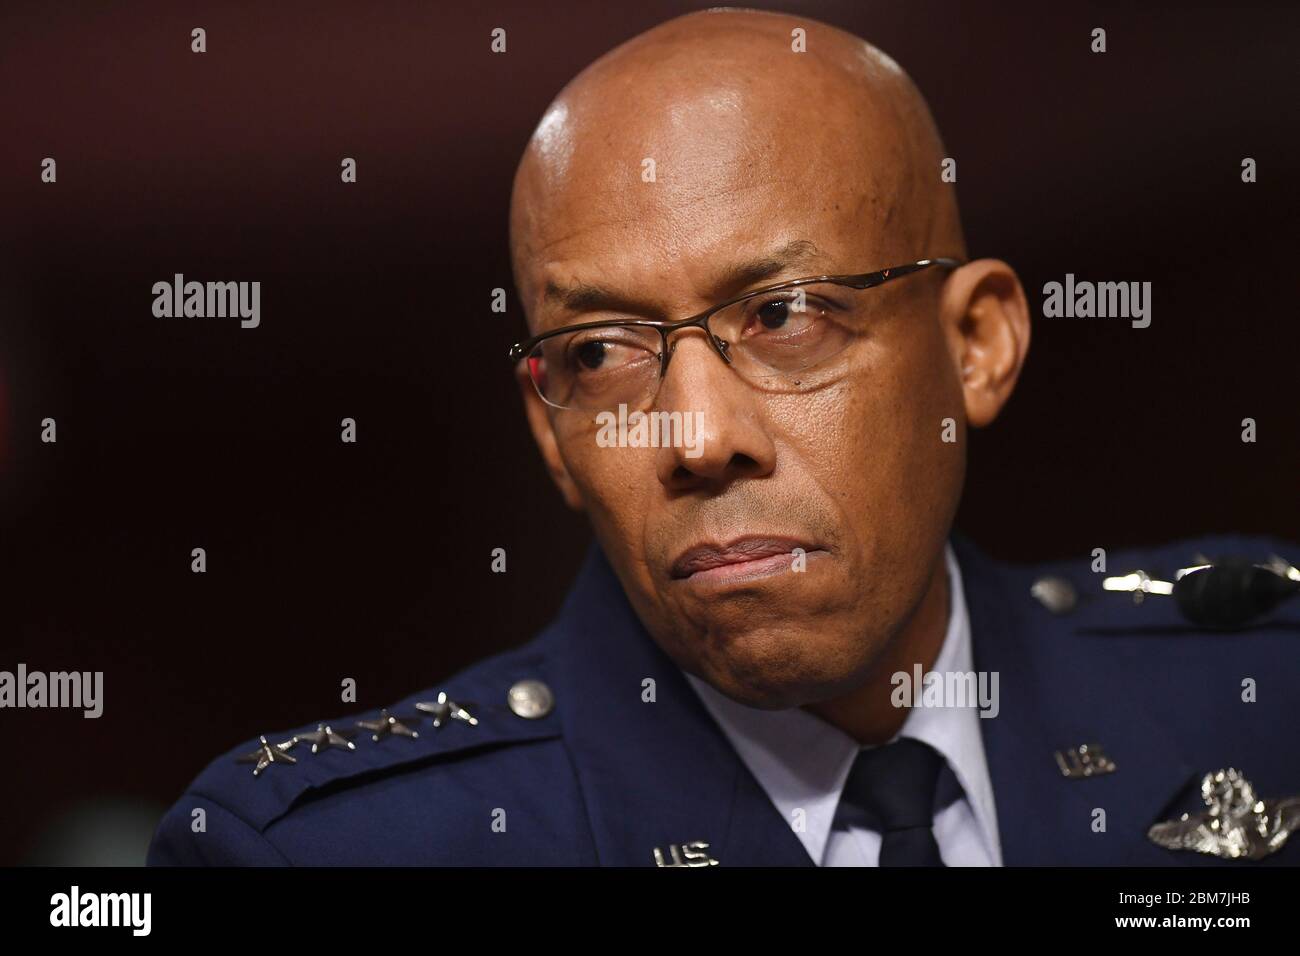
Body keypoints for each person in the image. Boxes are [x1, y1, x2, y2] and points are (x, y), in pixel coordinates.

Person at [148, 8, 1300, 867]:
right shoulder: (346, 851)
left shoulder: (1258, 688)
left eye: (786, 315)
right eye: (599, 352)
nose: (695, 435)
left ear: (977, 346)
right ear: (551, 433)